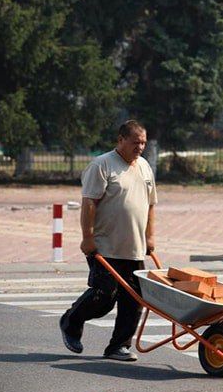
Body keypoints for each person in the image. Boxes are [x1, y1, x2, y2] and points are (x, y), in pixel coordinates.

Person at [59, 120, 157, 361]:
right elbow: (89, 202)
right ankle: (71, 322)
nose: (140, 147)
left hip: (134, 247)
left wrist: (149, 237)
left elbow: (151, 204)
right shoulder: (102, 165)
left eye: (143, 142)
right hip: (105, 246)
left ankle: (118, 346)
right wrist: (87, 238)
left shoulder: (144, 166)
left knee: (133, 300)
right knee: (104, 296)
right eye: (135, 142)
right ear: (121, 140)